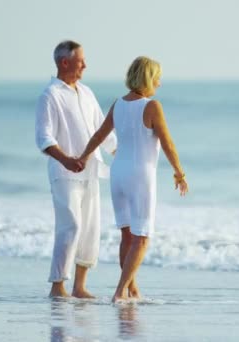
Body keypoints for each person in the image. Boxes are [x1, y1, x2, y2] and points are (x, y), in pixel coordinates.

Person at [77, 56, 188, 302]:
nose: (159, 83)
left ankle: (132, 289)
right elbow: (167, 143)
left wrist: (83, 157)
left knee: (127, 235)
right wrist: (179, 172)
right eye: (157, 77)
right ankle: (119, 292)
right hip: (140, 175)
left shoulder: (119, 104)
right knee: (142, 237)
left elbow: (99, 135)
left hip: (118, 174)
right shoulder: (152, 106)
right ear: (148, 77)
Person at [35, 40, 117, 298]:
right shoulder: (50, 95)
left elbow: (103, 130)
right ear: (65, 62)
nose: (85, 65)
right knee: (70, 226)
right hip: (64, 175)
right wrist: (66, 159)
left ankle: (79, 287)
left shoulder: (87, 92)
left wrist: (121, 153)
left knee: (91, 229)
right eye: (81, 60)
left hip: (91, 172)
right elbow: (44, 138)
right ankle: (57, 286)